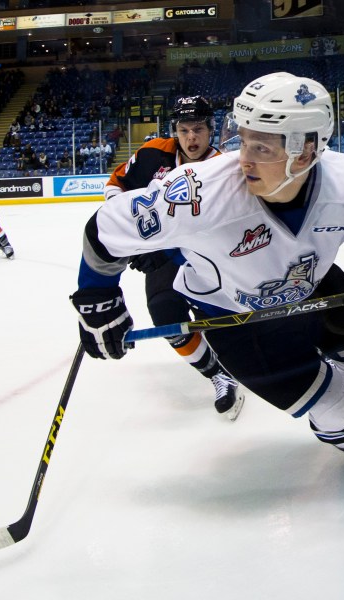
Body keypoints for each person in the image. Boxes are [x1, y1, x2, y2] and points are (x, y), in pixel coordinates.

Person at [72, 73, 344, 468]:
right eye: (243, 139)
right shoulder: (197, 193)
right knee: (338, 406)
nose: (243, 158)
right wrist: (97, 300)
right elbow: (104, 229)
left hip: (314, 285)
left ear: (306, 151)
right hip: (233, 318)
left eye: (262, 146)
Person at [101, 96, 243, 420]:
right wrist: (137, 242)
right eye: (184, 130)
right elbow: (115, 187)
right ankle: (215, 373)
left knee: (225, 316)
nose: (192, 138)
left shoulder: (224, 167)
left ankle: (239, 355)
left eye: (199, 129)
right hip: (163, 254)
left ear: (210, 130)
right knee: (164, 311)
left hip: (209, 256)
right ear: (174, 131)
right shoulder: (153, 153)